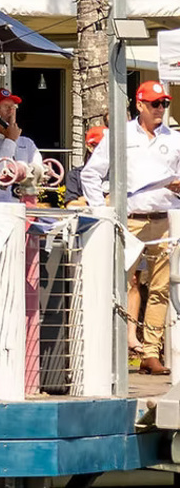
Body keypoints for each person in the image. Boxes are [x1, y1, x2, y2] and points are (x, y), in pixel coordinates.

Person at [80, 80, 180, 375]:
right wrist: (104, 213)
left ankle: (150, 352)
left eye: (164, 103)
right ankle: (114, 349)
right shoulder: (118, 136)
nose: (160, 109)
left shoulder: (173, 138)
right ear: (139, 105)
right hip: (129, 220)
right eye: (154, 104)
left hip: (164, 219)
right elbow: (90, 175)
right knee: (119, 285)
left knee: (161, 287)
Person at [0, 89, 45, 202]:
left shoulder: (27, 143)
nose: (11, 111)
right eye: (5, 107)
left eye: (13, 107)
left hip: (27, 207)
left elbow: (39, 171)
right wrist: (10, 140)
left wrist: (14, 173)